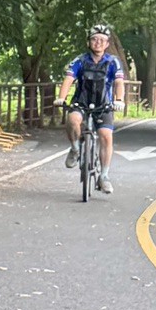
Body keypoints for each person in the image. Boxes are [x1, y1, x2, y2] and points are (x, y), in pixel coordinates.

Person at [60, 25, 126, 190]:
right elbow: (69, 79)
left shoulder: (113, 62)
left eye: (102, 40)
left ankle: (104, 176)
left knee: (106, 136)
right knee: (72, 120)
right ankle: (75, 149)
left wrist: (119, 100)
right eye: (94, 39)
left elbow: (119, 82)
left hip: (104, 104)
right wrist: (61, 98)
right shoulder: (80, 60)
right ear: (88, 42)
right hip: (81, 102)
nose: (98, 43)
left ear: (107, 44)